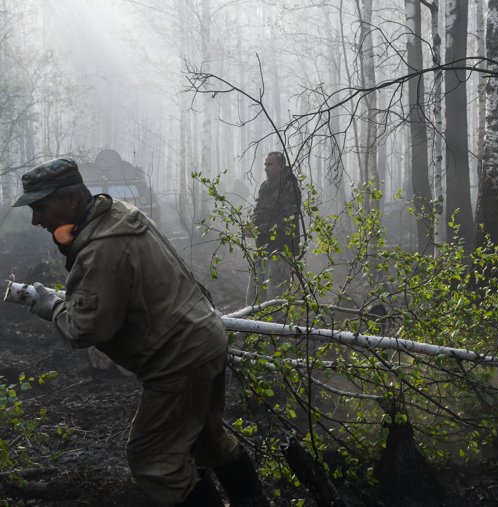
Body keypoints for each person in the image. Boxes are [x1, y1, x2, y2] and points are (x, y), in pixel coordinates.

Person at [13, 158, 266, 506]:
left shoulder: (103, 246)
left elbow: (86, 329)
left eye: (41, 207)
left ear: (71, 199)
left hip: (178, 357)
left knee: (154, 461)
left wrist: (51, 306)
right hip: (202, 337)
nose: (36, 219)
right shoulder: (117, 215)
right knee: (207, 442)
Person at [245, 151, 301, 304]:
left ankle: (276, 329)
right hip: (263, 247)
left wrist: (261, 228)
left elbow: (287, 220)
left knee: (275, 299)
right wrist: (253, 225)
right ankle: (252, 327)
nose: (266, 168)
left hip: (281, 250)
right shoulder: (265, 186)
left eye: (270, 164)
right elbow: (258, 209)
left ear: (282, 166)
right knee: (254, 297)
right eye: (265, 164)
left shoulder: (290, 187)